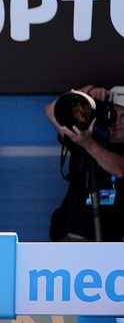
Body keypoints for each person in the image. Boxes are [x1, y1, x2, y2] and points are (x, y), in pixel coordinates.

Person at [44, 85, 124, 241]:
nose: (118, 121)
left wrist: (88, 144)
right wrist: (87, 92)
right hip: (74, 241)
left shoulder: (87, 141)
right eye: (113, 114)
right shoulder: (86, 135)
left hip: (114, 248)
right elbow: (50, 110)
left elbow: (120, 169)